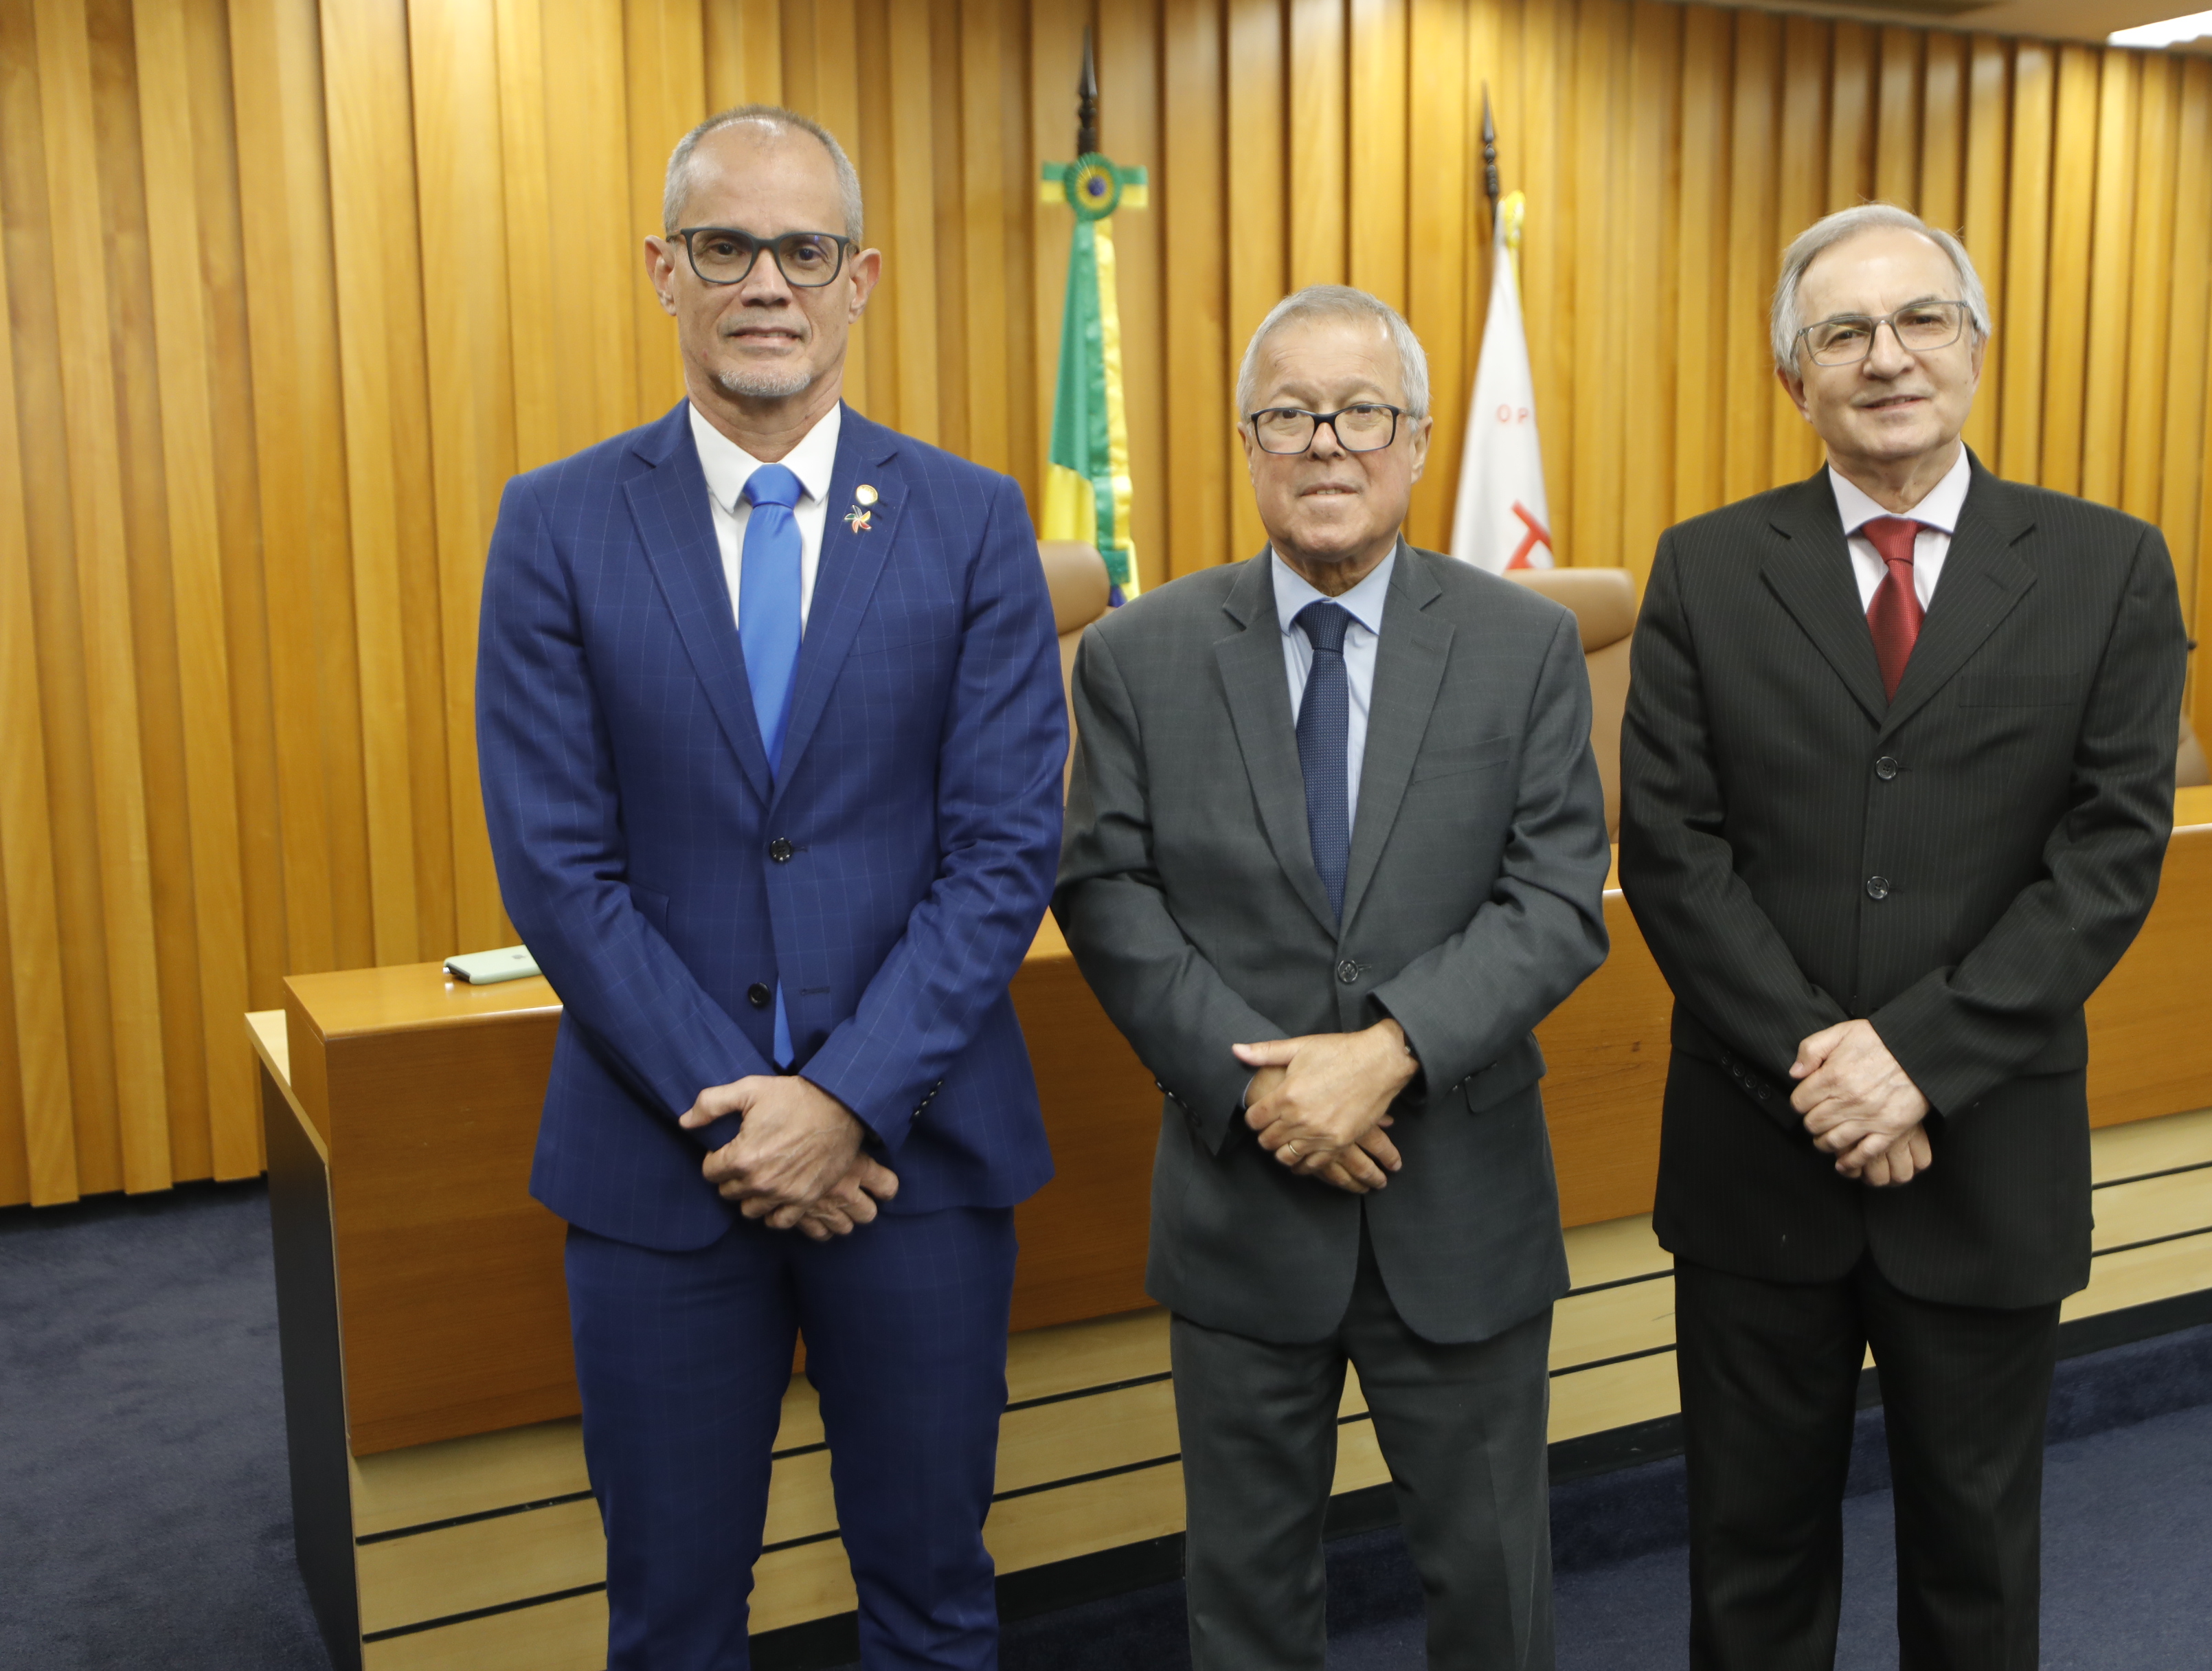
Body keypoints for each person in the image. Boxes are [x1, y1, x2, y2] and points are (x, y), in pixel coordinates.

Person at [473, 104, 1065, 1670]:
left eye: (804, 251)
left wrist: (847, 1100)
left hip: (916, 1161)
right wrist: (752, 1117)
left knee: (934, 1606)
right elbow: (556, 864)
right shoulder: (556, 524)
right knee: (673, 1621)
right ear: (662, 269)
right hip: (660, 1168)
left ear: (859, 278)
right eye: (725, 247)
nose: (765, 285)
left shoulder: (971, 520)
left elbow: (1005, 849)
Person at [1617, 203, 2183, 1670]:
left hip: (1985, 1153)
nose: (1887, 357)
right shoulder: (1703, 569)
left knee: (1976, 1574)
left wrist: (1917, 1060)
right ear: (1792, 376)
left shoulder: (2109, 567)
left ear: (1976, 346)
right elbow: (1672, 852)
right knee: (1750, 1571)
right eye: (1843, 332)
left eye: (1922, 319)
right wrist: (1828, 1065)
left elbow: (2109, 857)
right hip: (1758, 1155)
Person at [1054, 285, 1611, 1671]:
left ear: (1415, 440)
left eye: (1361, 413)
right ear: (1247, 443)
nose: (1325, 444)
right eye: (1289, 415)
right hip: (1242, 1207)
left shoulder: (1527, 644)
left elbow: (1555, 898)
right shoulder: (1137, 654)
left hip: (1460, 1202)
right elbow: (1106, 892)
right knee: (1245, 1606)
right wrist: (1264, 1089)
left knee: (1494, 1597)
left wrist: (1388, 1052)